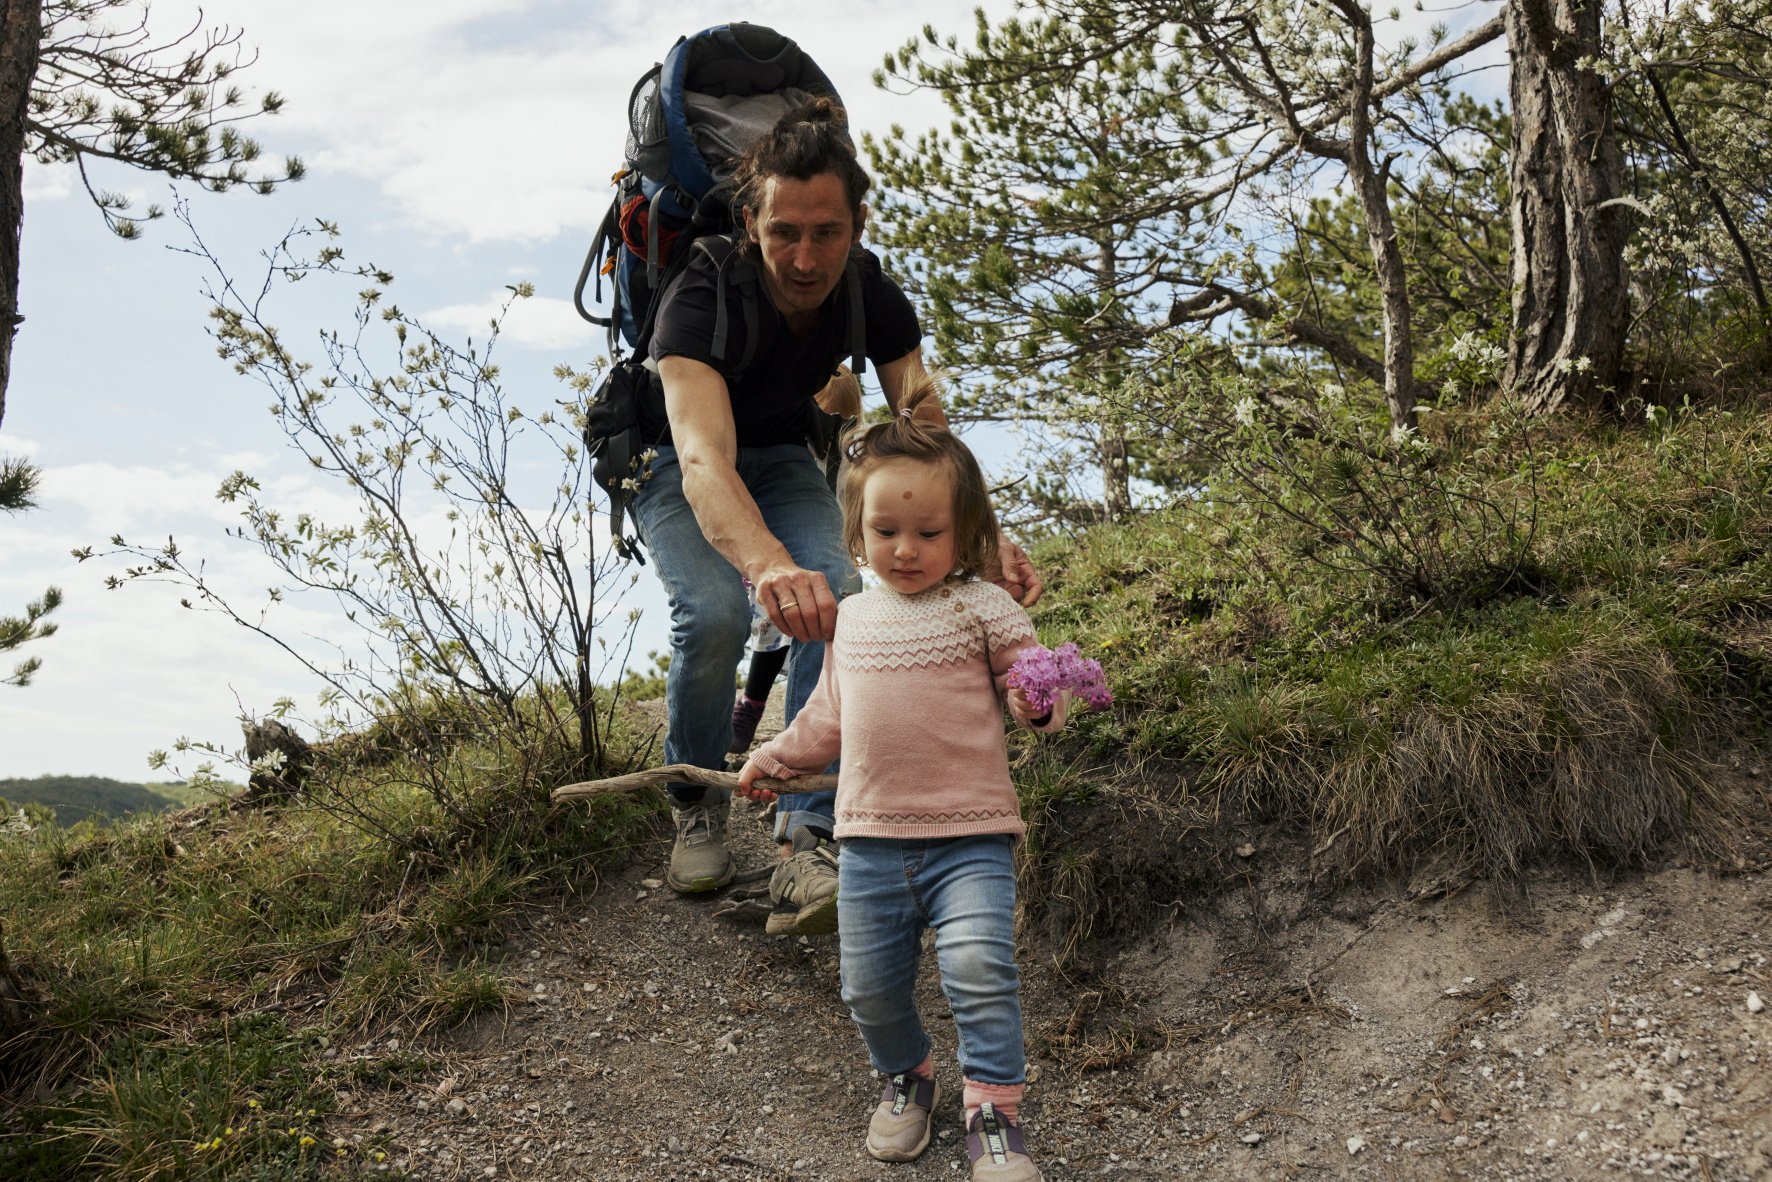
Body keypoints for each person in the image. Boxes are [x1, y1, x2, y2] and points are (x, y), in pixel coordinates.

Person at [631, 97, 1042, 932]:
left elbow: (927, 429)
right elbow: (705, 463)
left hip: (783, 457)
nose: (806, 256)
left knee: (840, 602)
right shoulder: (699, 292)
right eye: (786, 231)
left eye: (828, 232)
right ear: (751, 222)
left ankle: (808, 836)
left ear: (858, 223)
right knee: (712, 614)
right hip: (674, 461)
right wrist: (766, 567)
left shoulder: (870, 294)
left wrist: (984, 534)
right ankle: (696, 802)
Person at [737, 378, 1065, 1182]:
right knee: (868, 987)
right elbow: (828, 717)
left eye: (929, 531)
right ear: (856, 531)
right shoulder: (853, 618)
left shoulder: (984, 607)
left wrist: (1042, 698)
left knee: (980, 971)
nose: (907, 549)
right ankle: (907, 1075)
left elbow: (1032, 685)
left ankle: (994, 1112)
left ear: (967, 532)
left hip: (971, 834)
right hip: (872, 840)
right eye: (886, 530)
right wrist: (776, 758)